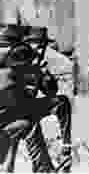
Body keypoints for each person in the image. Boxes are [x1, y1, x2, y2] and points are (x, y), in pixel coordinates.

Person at [0, 36, 72, 172]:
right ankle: (43, 169)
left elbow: (51, 92)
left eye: (41, 46)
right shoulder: (8, 71)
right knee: (28, 124)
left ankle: (66, 146)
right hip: (7, 120)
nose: (39, 50)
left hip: (23, 109)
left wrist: (45, 76)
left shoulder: (31, 66)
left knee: (61, 103)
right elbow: (13, 103)